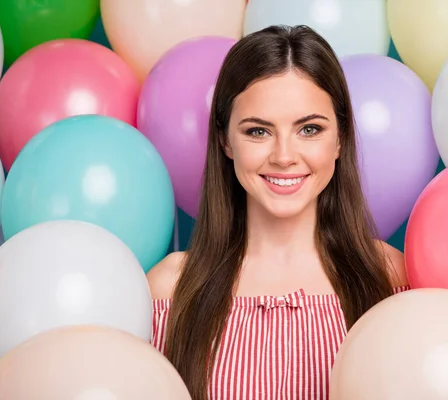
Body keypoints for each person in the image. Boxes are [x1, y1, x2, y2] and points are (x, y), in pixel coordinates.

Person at [147, 25, 410, 400]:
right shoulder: (170, 292)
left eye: (309, 129)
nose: (284, 157)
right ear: (225, 141)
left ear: (340, 138)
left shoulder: (391, 281)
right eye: (258, 132)